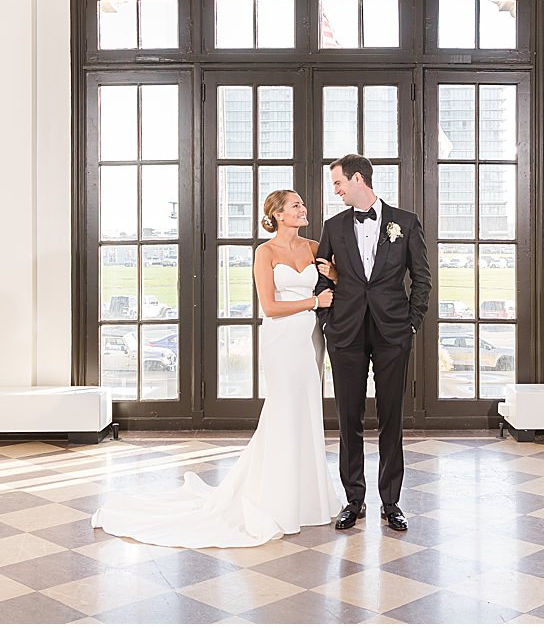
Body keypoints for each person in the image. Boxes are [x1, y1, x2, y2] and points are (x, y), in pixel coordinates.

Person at [91, 189, 342, 547]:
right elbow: (269, 306)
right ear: (278, 214)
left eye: (303, 204)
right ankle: (278, 501)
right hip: (281, 340)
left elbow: (339, 281)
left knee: (307, 412)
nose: (304, 209)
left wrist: (332, 274)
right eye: (296, 205)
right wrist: (313, 301)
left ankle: (309, 501)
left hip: (309, 341)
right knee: (284, 413)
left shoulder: (314, 247)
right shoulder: (265, 253)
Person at [314, 153, 432, 533]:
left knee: (391, 419)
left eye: (338, 183)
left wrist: (411, 324)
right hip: (345, 333)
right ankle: (353, 500)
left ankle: (392, 501)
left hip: (392, 332)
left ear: (358, 179)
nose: (335, 190)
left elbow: (422, 279)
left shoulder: (406, 223)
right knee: (348, 419)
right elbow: (322, 281)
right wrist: (328, 321)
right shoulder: (333, 227)